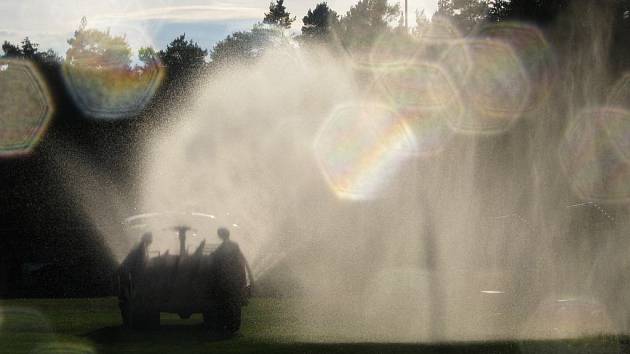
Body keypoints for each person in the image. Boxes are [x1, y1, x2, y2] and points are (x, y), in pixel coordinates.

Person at [209, 227, 251, 334]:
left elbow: (216, 259)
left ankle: (229, 326)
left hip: (228, 280)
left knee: (228, 303)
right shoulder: (233, 245)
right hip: (235, 279)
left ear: (221, 235)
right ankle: (233, 326)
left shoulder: (224, 247)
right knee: (234, 304)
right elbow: (242, 261)